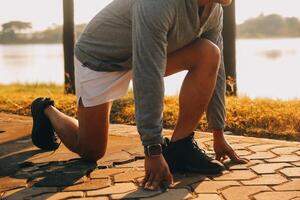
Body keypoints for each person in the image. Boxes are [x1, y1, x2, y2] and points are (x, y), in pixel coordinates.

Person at [31, 0, 248, 191]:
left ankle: (180, 148)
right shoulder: (159, 4)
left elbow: (217, 70)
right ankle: (46, 109)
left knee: (209, 53)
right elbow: (148, 72)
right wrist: (152, 151)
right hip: (101, 60)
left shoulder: (214, 9)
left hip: (140, 56)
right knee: (91, 150)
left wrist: (218, 133)